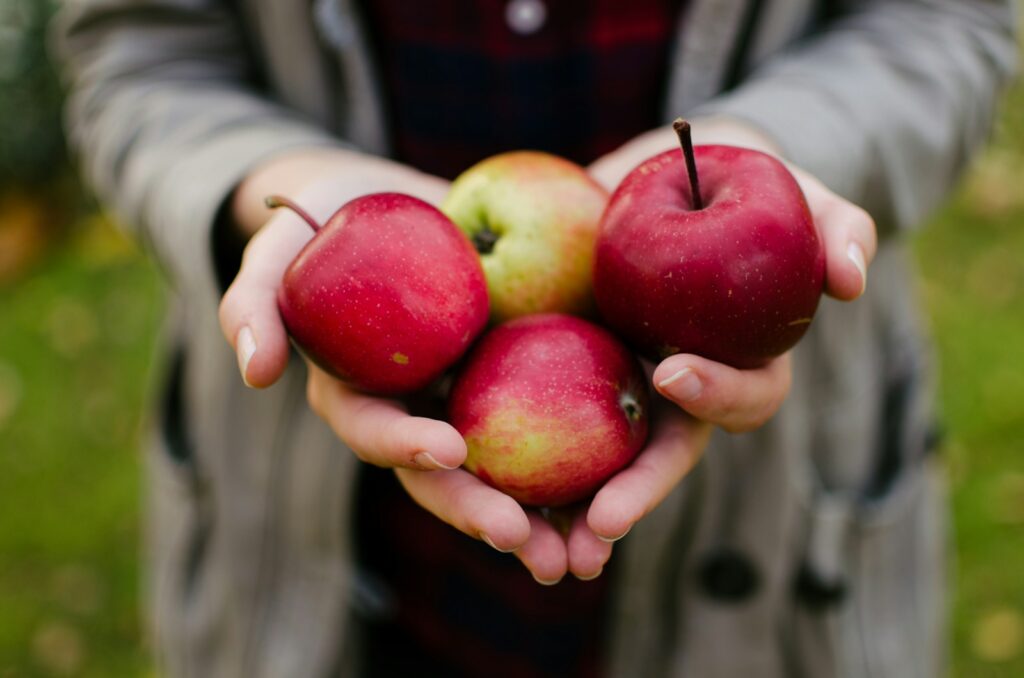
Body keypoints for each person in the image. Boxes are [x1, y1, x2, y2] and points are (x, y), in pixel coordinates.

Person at [54, 1, 1016, 676]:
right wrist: (265, 179)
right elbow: (138, 51)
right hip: (331, 550)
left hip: (776, 537)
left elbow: (945, 20)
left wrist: (768, 140)